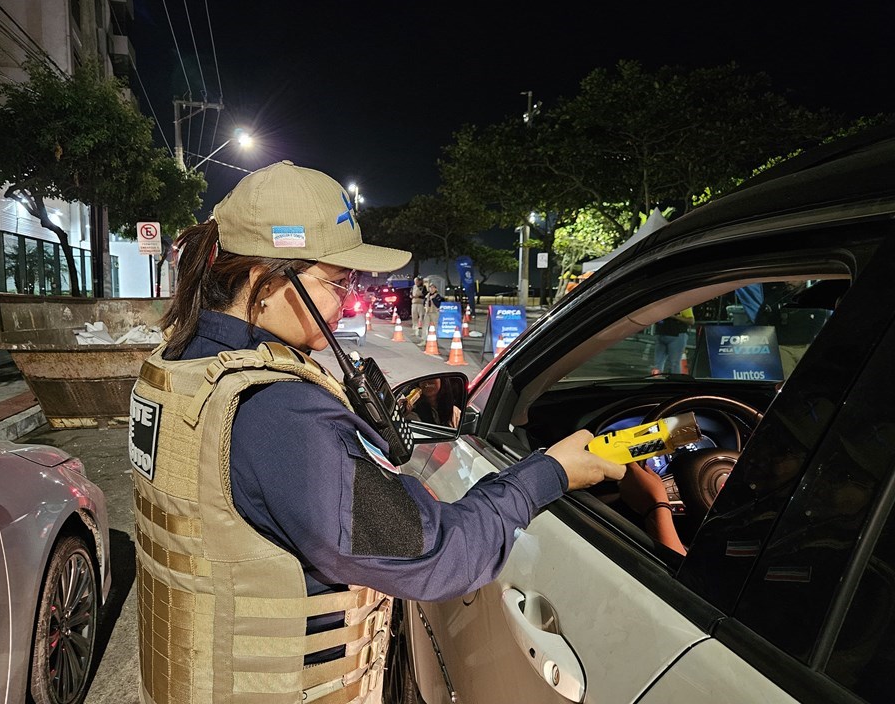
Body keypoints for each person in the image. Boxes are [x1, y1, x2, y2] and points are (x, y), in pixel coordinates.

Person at [130, 160, 626, 704]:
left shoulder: (181, 367)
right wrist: (550, 474)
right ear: (265, 280)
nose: (345, 303)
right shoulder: (279, 411)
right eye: (336, 282)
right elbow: (436, 558)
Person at [652, 307, 694, 374]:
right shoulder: (662, 304)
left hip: (676, 335)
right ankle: (656, 380)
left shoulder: (683, 304)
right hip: (662, 334)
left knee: (674, 364)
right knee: (658, 364)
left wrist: (674, 317)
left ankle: (674, 382)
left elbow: (691, 321)